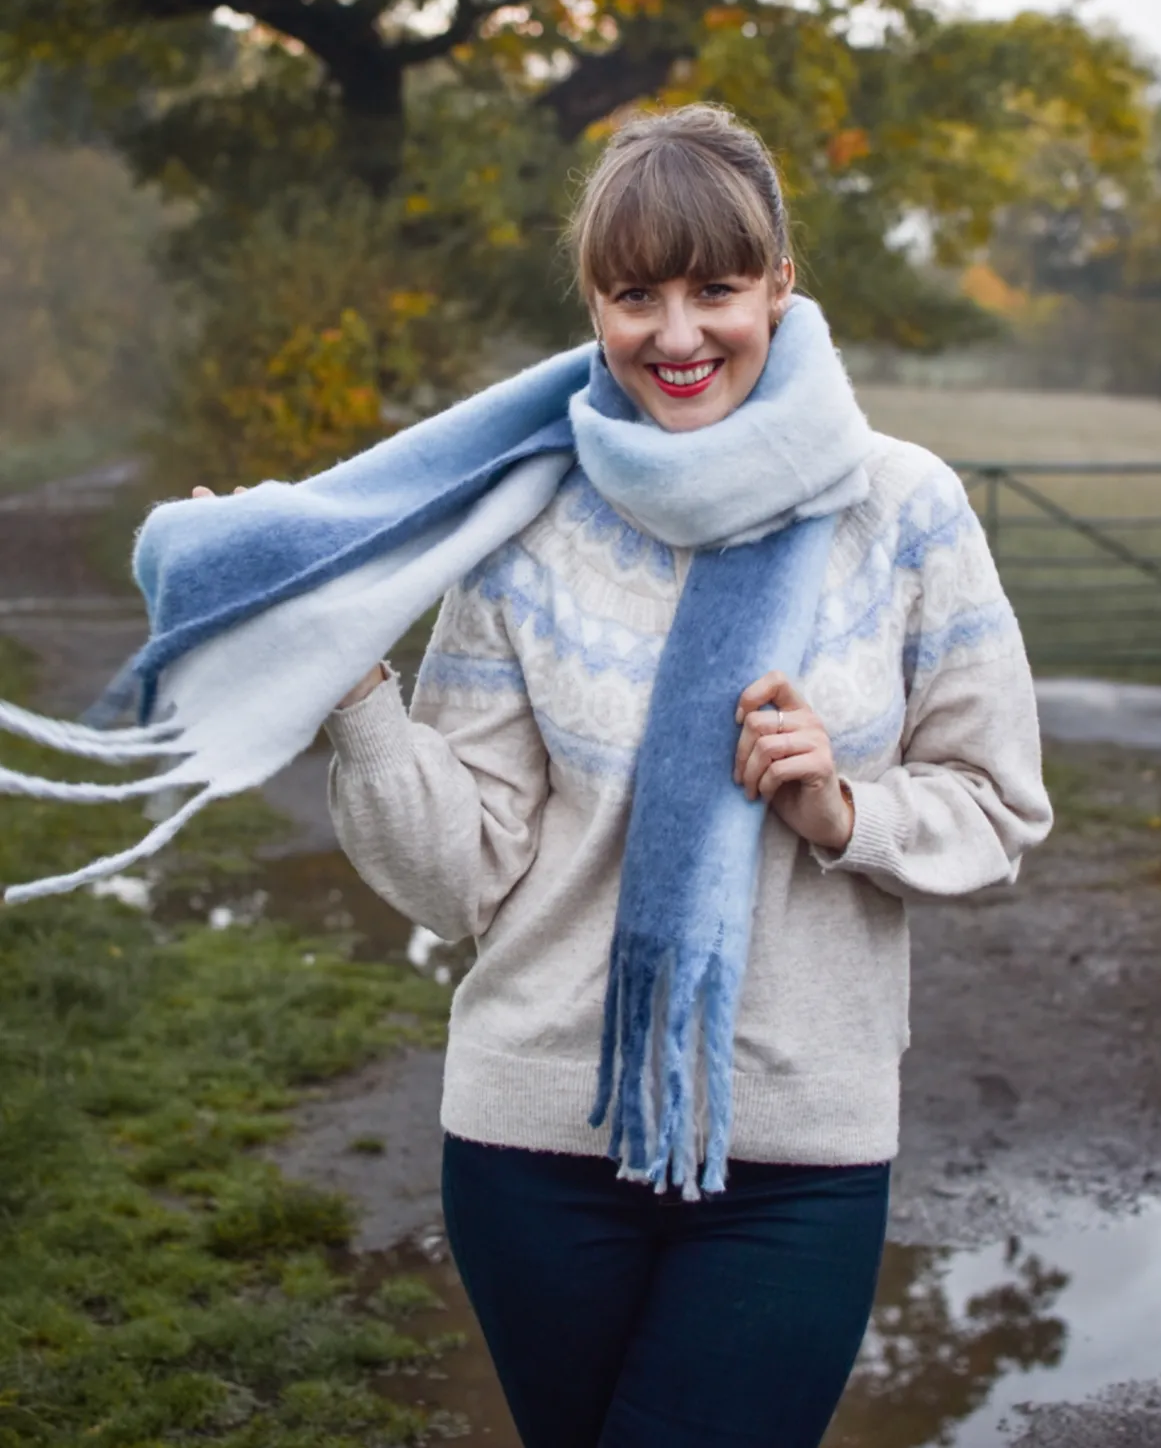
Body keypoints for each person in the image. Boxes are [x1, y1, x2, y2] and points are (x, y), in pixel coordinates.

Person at [322, 104, 1052, 1448]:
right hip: (532, 1138)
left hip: (799, 1154)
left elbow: (998, 806)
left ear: (782, 284)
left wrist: (843, 805)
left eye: (715, 289)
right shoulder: (531, 522)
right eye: (634, 294)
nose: (676, 335)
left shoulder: (902, 512)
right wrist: (358, 698)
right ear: (593, 302)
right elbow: (469, 867)